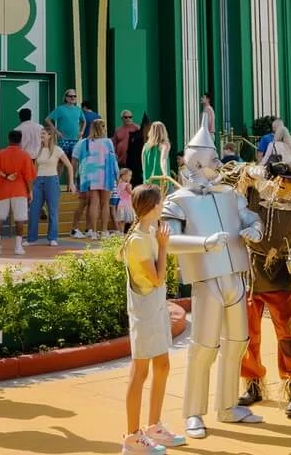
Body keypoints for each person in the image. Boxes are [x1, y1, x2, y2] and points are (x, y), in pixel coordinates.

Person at [161, 122, 261, 439]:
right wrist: (204, 243)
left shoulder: (229, 194)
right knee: (203, 348)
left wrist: (254, 230)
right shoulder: (177, 200)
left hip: (235, 277)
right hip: (207, 280)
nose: (219, 164)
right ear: (196, 164)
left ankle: (229, 405)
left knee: (237, 344)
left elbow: (251, 218)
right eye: (213, 159)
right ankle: (193, 412)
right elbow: (168, 241)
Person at [236, 158, 291, 418]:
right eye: (279, 178)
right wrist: (251, 169)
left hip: (281, 275)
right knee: (248, 335)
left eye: (288, 180)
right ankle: (253, 384)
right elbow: (237, 176)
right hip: (250, 273)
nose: (281, 183)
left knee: (287, 335)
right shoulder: (257, 197)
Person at [120, 183, 185, 454]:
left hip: (155, 309)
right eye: (161, 203)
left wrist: (160, 243)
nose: (163, 207)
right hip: (145, 313)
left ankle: (153, 426)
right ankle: (132, 437)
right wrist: (163, 247)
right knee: (140, 373)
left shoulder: (148, 233)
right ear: (151, 206)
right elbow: (158, 278)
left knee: (163, 365)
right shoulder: (138, 240)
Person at [0, 129, 36, 256]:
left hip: (3, 190)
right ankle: (18, 247)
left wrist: (5, 175)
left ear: (8, 140)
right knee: (20, 219)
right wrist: (30, 191)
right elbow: (29, 176)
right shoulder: (25, 155)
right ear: (20, 140)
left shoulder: (0, 154)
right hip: (20, 191)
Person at [28, 124, 75, 247]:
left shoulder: (57, 150)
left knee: (53, 210)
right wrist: (30, 187)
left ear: (49, 136)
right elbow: (34, 169)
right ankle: (31, 238)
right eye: (41, 134)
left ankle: (52, 237)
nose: (41, 136)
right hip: (38, 181)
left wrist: (71, 182)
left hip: (52, 180)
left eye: (43, 134)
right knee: (34, 210)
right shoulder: (38, 150)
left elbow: (69, 166)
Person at [73, 119, 120, 240]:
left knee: (94, 203)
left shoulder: (84, 143)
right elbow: (113, 160)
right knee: (105, 203)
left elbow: (77, 159)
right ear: (103, 128)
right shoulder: (108, 142)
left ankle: (92, 231)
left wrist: (77, 177)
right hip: (106, 175)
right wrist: (117, 175)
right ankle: (104, 231)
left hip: (90, 177)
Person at [49, 91, 85, 157]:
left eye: (74, 96)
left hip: (75, 139)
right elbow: (48, 120)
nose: (73, 98)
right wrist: (56, 131)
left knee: (74, 160)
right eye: (70, 96)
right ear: (66, 97)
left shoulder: (78, 109)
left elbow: (84, 121)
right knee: (62, 162)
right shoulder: (60, 109)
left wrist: (82, 131)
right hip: (63, 139)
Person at [139, 122, 173, 191]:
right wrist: (165, 174)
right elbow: (163, 160)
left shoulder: (146, 146)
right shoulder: (165, 145)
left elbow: (143, 162)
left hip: (148, 181)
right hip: (161, 181)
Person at [113, 169, 138, 234]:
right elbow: (131, 193)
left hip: (121, 204)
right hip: (127, 204)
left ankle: (121, 232)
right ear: (123, 176)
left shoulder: (119, 184)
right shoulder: (127, 185)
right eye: (129, 175)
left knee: (122, 221)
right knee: (132, 220)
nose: (130, 177)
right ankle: (133, 232)